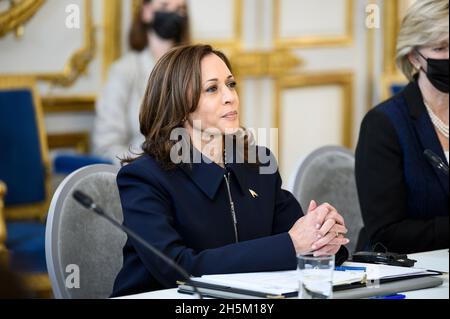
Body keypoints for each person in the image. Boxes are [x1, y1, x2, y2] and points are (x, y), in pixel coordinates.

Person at [111, 44, 350, 297]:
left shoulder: (259, 164)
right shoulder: (144, 178)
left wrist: (323, 236)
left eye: (231, 84)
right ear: (179, 105)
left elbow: (297, 236)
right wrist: (292, 244)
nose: (230, 97)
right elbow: (177, 268)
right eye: (212, 89)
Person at [355, 0, 449, 254]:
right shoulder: (383, 124)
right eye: (441, 48)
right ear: (414, 57)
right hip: (403, 271)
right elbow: (387, 232)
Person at [93, 0, 190, 164]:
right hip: (142, 174)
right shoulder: (123, 71)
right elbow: (106, 146)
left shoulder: (194, 70)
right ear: (146, 11)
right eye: (165, 6)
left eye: (180, 8)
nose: (173, 14)